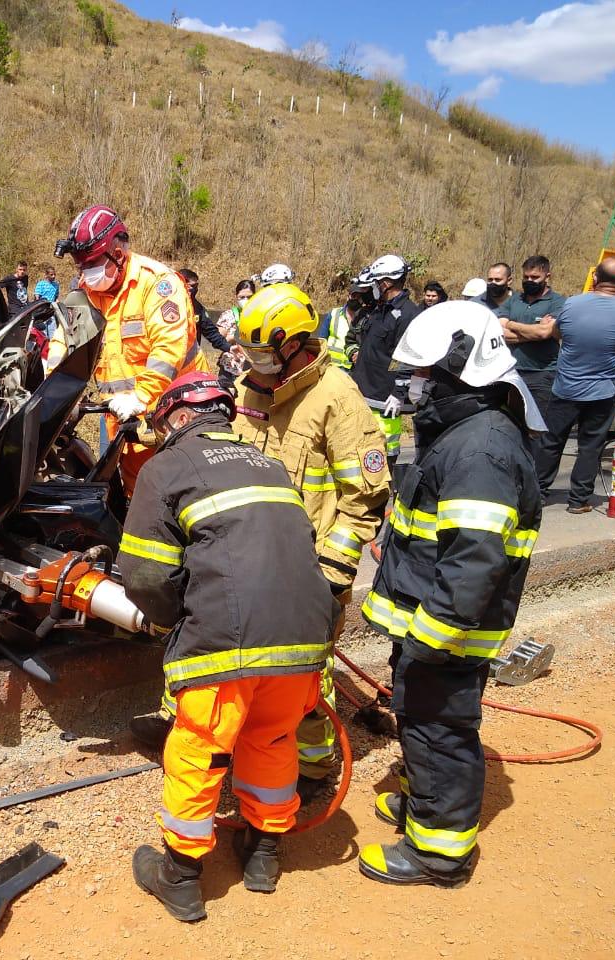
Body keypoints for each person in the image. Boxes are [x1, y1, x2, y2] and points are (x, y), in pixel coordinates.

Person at [120, 372, 336, 919]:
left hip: (225, 644)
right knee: (271, 739)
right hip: (304, 641)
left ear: (177, 417)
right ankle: (263, 855)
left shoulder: (165, 468)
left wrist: (176, 620)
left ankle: (181, 876)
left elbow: (145, 578)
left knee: (199, 748)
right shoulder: (271, 465)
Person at [358, 299, 544, 888]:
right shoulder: (465, 433)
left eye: (424, 375)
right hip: (431, 621)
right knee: (419, 717)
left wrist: (432, 639)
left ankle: (439, 853)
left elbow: (474, 561)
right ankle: (424, 804)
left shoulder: (480, 450)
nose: (415, 386)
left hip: (447, 630)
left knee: (439, 727)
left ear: (460, 372)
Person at [231, 282, 390, 794]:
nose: (256, 367)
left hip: (310, 574)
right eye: (250, 354)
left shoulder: (337, 399)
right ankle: (258, 751)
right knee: (250, 673)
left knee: (303, 683)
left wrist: (329, 576)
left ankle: (314, 769)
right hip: (251, 567)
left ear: (297, 346)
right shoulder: (248, 389)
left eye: (265, 355)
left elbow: (363, 498)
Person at [54, 204, 207, 494]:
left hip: (176, 416)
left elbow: (168, 347)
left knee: (179, 494)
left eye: (91, 264)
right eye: (81, 266)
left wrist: (140, 396)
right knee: (138, 496)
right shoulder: (87, 292)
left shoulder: (158, 284)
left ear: (118, 254)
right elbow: (65, 340)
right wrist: (49, 388)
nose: (85, 273)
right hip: (124, 420)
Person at [533, 258, 615, 512]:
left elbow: (559, 333)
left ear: (595, 278)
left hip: (566, 387)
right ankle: (579, 500)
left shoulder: (572, 304)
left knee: (551, 442)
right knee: (590, 446)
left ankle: (537, 493)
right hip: (603, 391)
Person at [349, 254, 421, 468]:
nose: (373, 288)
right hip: (363, 393)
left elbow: (406, 357)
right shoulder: (380, 309)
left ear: (386, 283)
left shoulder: (408, 315)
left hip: (384, 401)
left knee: (380, 460)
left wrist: (398, 394)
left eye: (375, 283)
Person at [498, 255, 567, 421]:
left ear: (547, 277)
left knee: (538, 425)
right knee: (512, 422)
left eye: (535, 277)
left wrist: (512, 324)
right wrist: (534, 333)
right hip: (513, 371)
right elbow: (499, 331)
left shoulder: (557, 302)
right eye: (526, 277)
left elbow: (545, 333)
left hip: (542, 374)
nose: (530, 280)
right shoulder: (514, 299)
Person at [319, 278, 369, 371]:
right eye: (354, 295)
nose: (357, 299)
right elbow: (321, 342)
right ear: (348, 296)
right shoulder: (333, 314)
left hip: (354, 370)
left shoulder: (367, 318)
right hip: (331, 368)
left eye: (360, 297)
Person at [215, 278, 256, 386]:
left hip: (253, 366)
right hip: (231, 365)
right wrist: (235, 336)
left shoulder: (260, 315)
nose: (245, 300)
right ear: (236, 297)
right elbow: (218, 339)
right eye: (242, 297)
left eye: (249, 297)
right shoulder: (229, 315)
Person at [177, 268, 228, 355]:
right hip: (167, 357)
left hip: (190, 359)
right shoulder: (163, 305)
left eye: (195, 286)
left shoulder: (198, 308)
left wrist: (229, 347)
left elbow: (211, 332)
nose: (192, 289)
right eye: (189, 285)